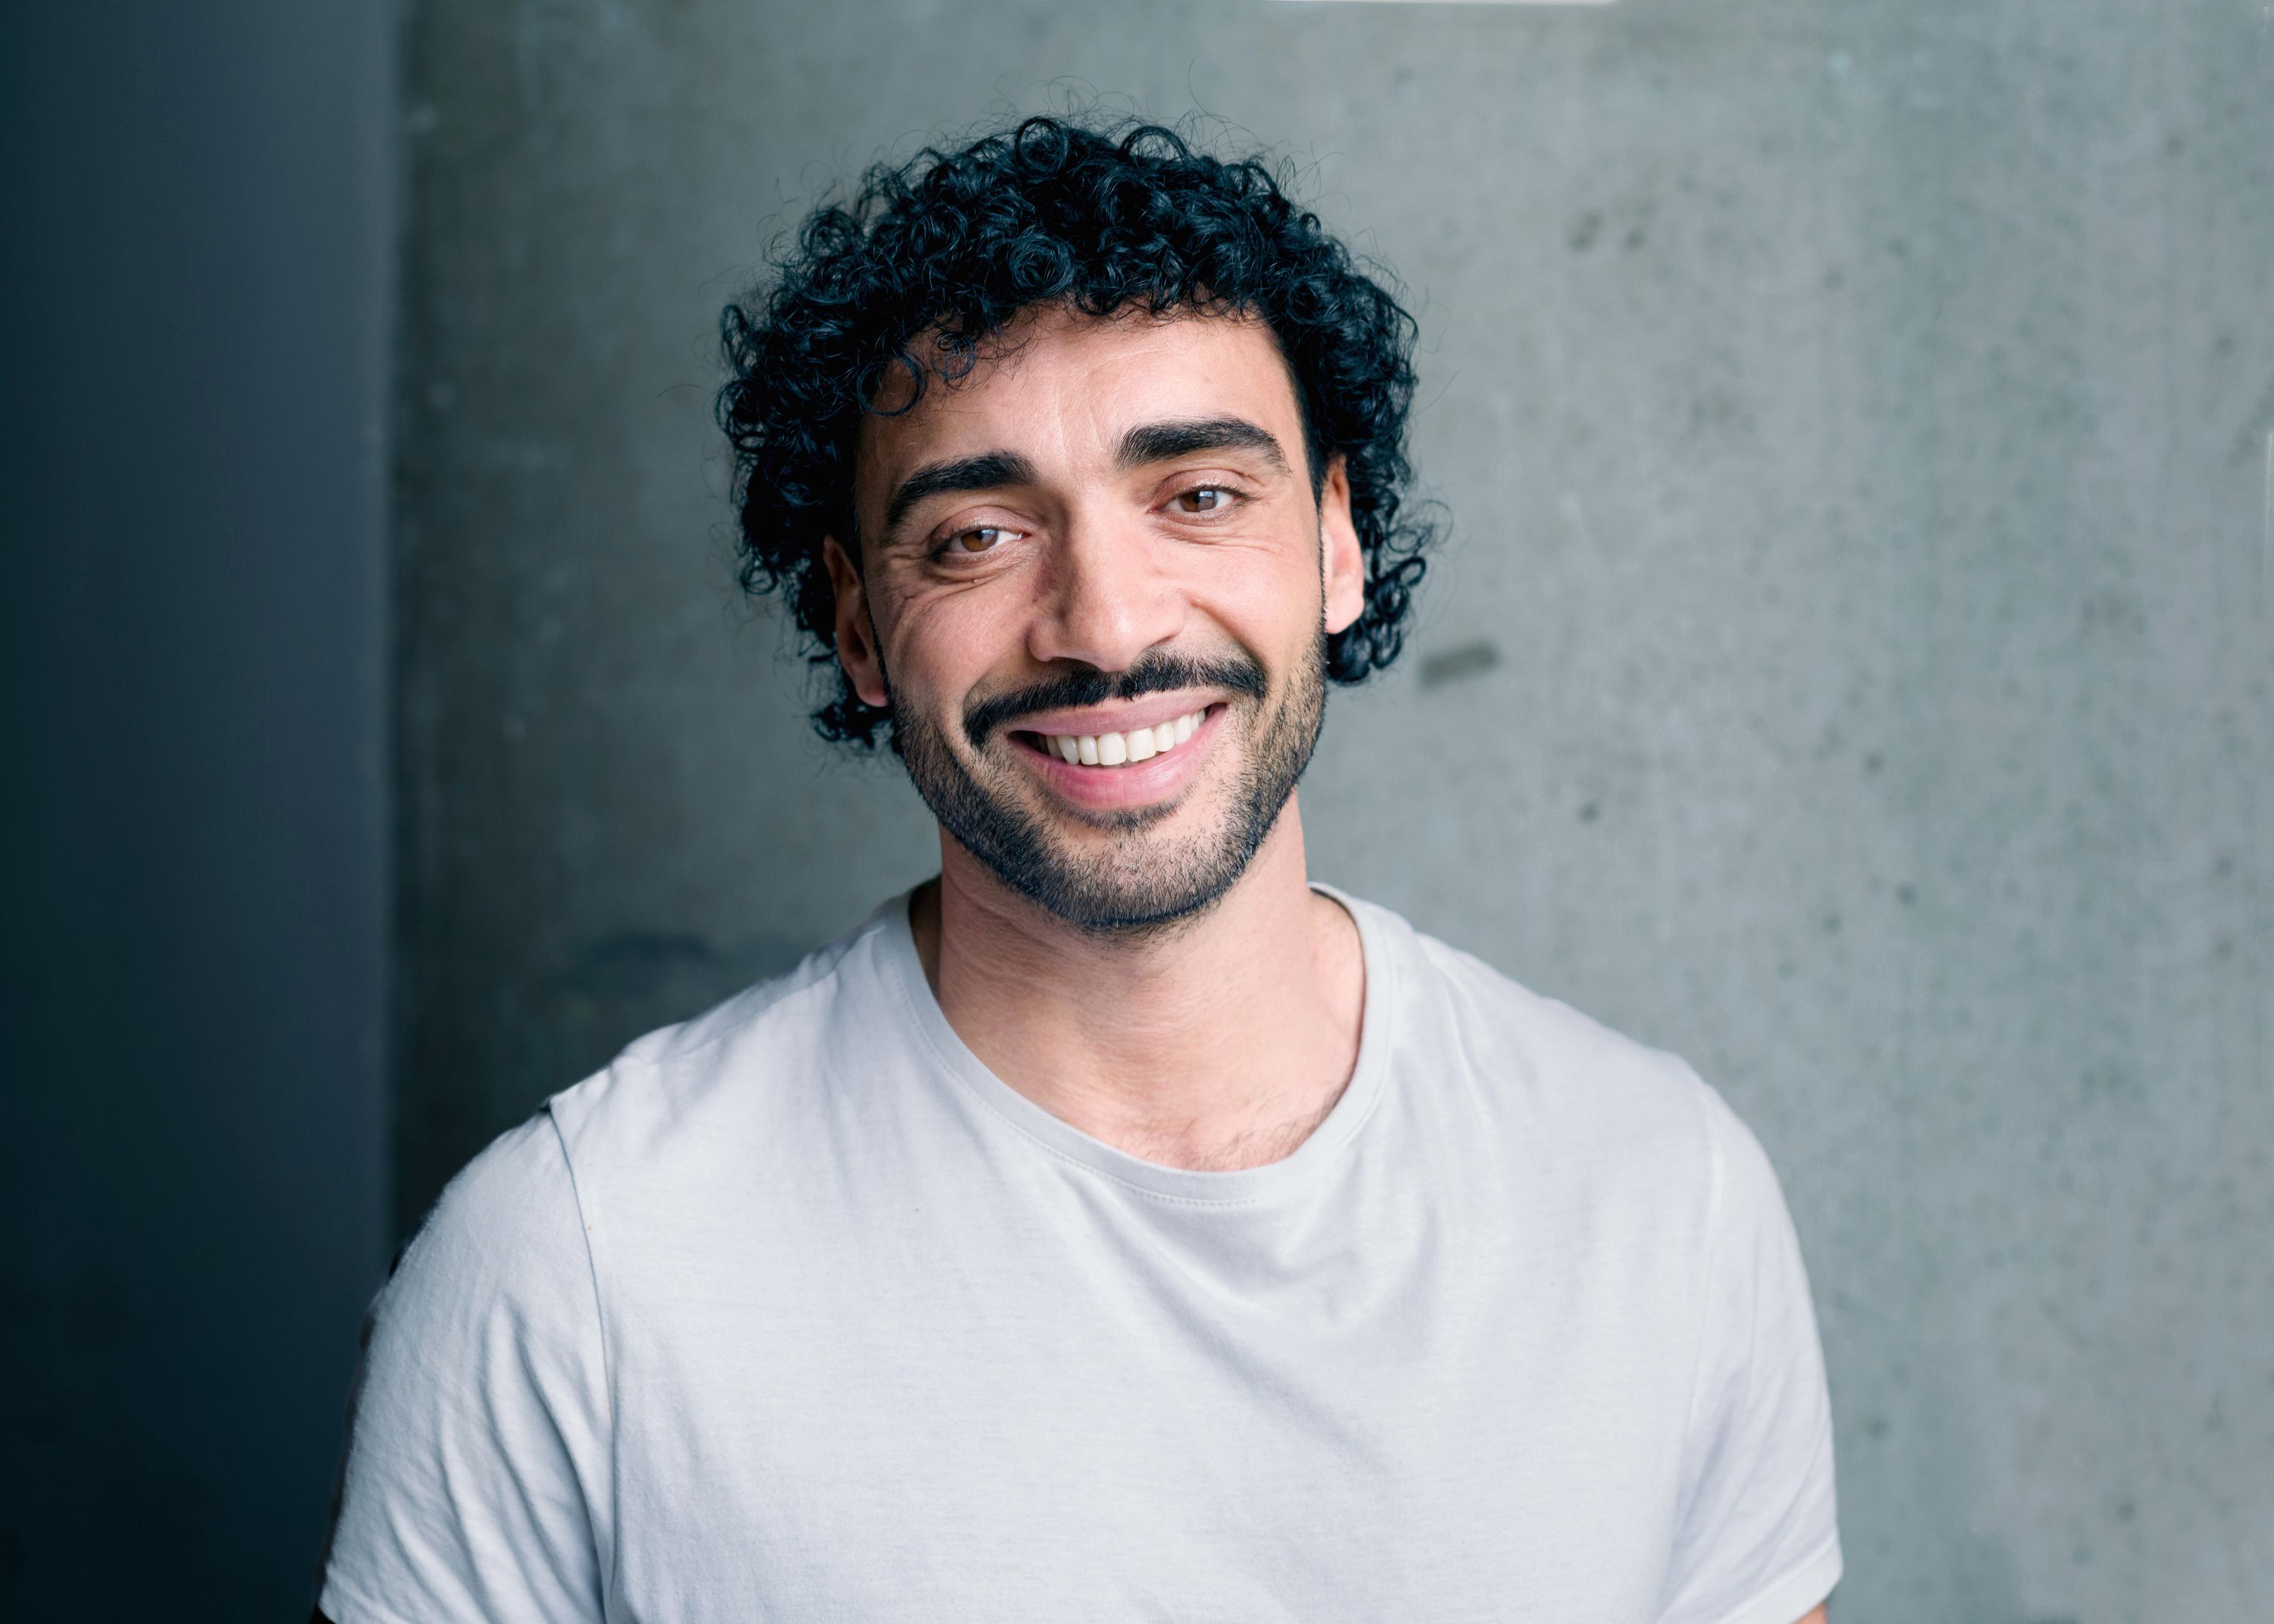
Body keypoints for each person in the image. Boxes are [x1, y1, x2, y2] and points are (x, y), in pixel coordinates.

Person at [314, 115, 1839, 1623]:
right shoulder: (576, 1266)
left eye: (1200, 498)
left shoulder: (1659, 1194)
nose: (1106, 627)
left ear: (1337, 544)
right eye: (978, 535)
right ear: (857, 624)